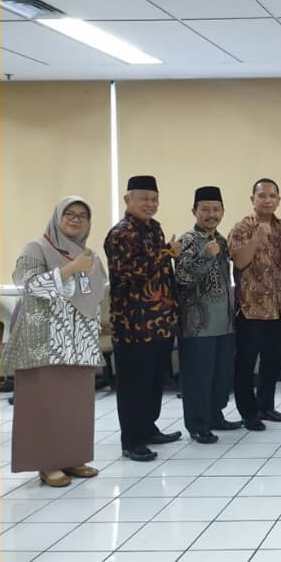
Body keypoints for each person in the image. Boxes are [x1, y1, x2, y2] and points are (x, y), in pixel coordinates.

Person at [1, 197, 106, 486]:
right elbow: (30, 285)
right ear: (57, 217)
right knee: (45, 404)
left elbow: (95, 293)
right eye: (69, 213)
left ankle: (72, 457)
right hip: (45, 342)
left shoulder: (89, 255)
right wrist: (71, 268)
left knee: (75, 404)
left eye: (82, 215)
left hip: (78, 342)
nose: (75, 219)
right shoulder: (37, 248)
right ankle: (46, 463)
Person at [104, 175, 182, 461]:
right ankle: (132, 440)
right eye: (143, 198)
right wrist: (167, 252)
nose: (150, 204)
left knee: (154, 381)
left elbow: (161, 271)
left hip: (160, 321)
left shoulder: (154, 228)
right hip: (133, 324)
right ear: (128, 199)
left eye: (154, 199)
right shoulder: (120, 233)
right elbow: (130, 272)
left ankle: (148, 428)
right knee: (133, 384)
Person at [227, 178, 281, 430]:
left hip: (279, 307)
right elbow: (239, 261)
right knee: (246, 363)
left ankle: (266, 406)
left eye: (272, 196)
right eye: (262, 196)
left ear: (278, 200)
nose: (267, 200)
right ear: (252, 199)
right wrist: (256, 239)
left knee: (273, 360)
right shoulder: (242, 227)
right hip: (251, 308)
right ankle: (248, 412)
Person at [175, 186, 241, 443]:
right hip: (197, 325)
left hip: (224, 322)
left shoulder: (222, 240)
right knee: (198, 378)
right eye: (205, 209)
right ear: (194, 211)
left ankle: (215, 416)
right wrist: (205, 256)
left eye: (216, 209)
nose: (211, 214)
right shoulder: (188, 240)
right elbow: (182, 278)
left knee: (220, 375)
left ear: (223, 211)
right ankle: (197, 424)